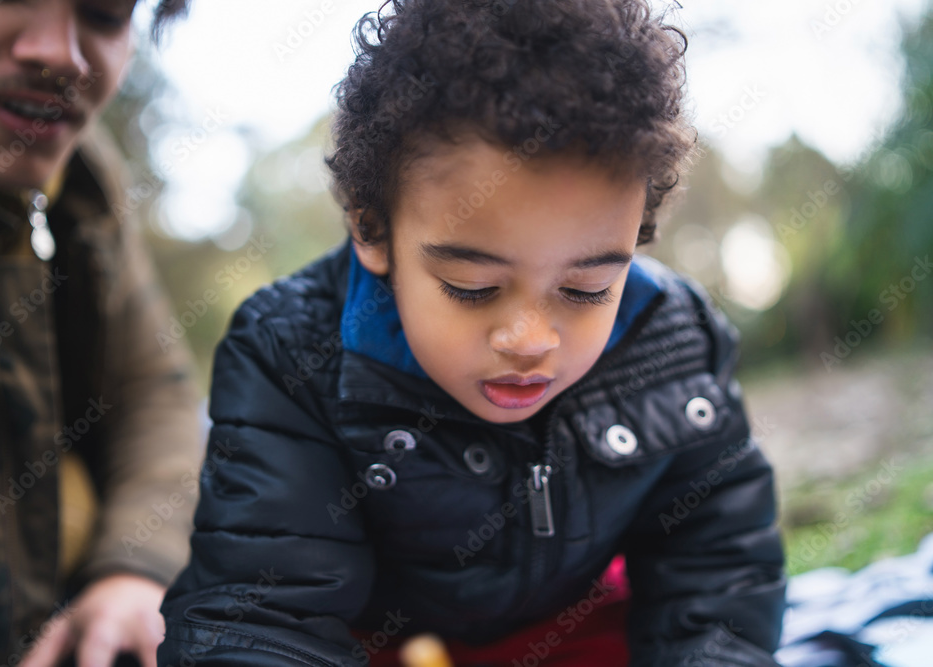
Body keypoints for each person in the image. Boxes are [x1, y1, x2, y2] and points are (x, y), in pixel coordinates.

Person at [159, 0, 787, 665]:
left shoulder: (674, 339)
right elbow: (265, 617)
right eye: (472, 287)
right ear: (372, 227)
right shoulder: (290, 355)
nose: (529, 338)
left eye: (585, 290)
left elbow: (719, 574)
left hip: (570, 628)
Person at [0, 1, 203, 665]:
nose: (61, 53)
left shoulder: (79, 186)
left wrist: (132, 571)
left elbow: (154, 395)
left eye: (106, 15)